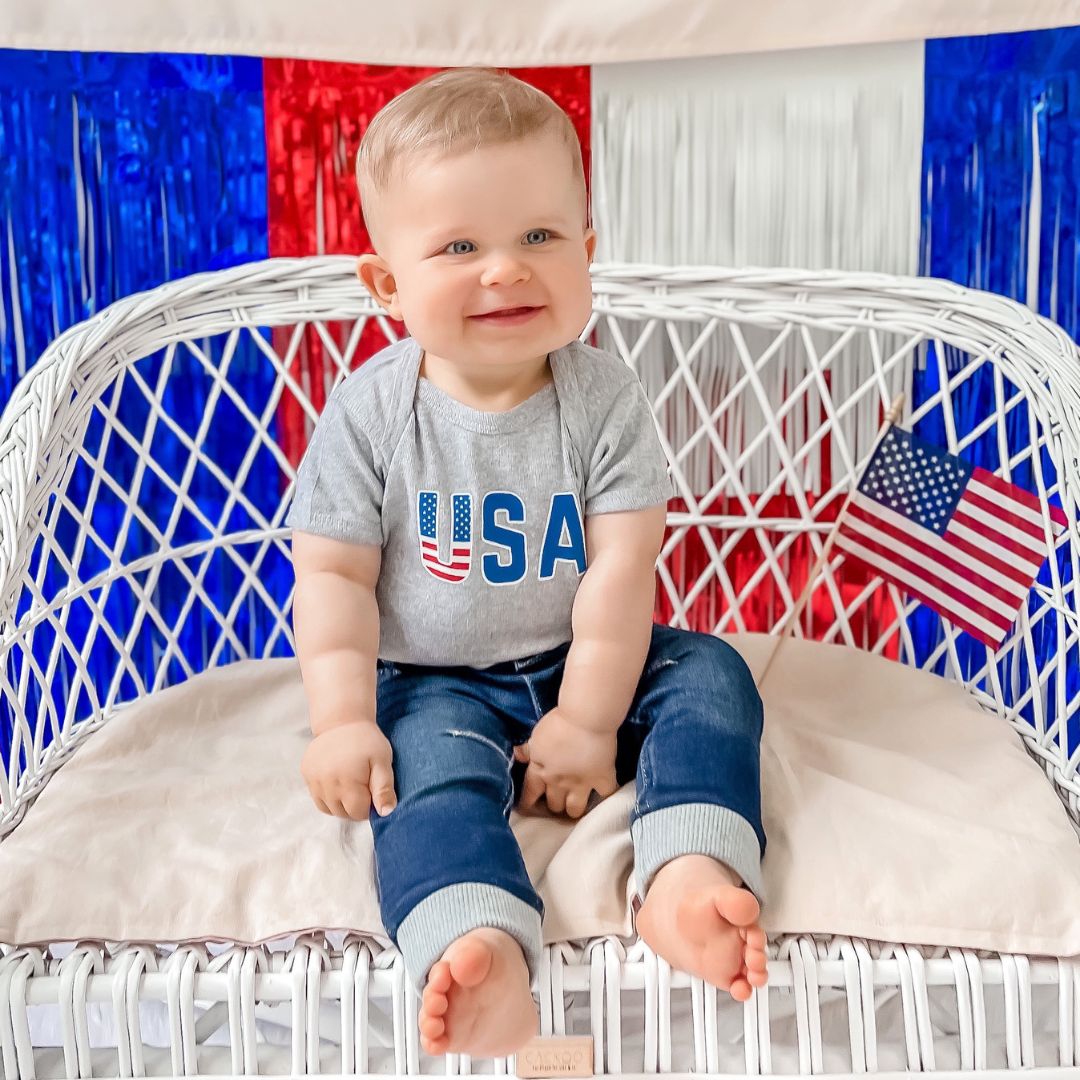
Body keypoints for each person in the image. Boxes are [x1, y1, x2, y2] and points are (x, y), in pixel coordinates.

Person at [286, 67, 767, 1059]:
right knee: (418, 782)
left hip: (589, 653)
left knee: (712, 673)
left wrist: (590, 721)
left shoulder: (602, 398)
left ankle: (686, 870)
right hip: (434, 683)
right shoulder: (376, 411)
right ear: (387, 285)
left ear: (588, 255)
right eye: (459, 247)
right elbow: (333, 578)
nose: (505, 270)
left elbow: (620, 572)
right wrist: (341, 722)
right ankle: (476, 935)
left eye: (540, 238)